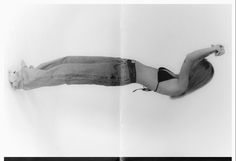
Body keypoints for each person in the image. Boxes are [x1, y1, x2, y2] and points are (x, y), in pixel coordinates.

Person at [8, 45, 225, 97]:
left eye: (197, 65)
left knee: (70, 72)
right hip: (122, 65)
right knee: (70, 60)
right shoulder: (178, 80)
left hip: (121, 73)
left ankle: (22, 81)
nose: (192, 65)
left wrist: (213, 49)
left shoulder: (181, 86)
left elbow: (189, 57)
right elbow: (190, 61)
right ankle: (31, 72)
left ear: (196, 72)